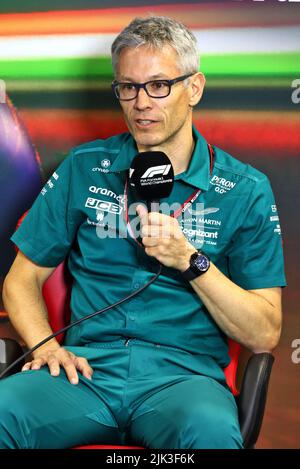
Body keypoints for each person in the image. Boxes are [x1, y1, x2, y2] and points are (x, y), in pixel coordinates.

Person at [0, 16, 286, 449]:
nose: (141, 103)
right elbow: (21, 279)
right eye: (128, 87)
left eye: (158, 85)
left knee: (210, 433)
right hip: (84, 372)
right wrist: (44, 346)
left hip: (182, 381)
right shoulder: (84, 167)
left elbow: (264, 332)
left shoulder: (245, 189)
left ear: (194, 88)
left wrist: (191, 260)